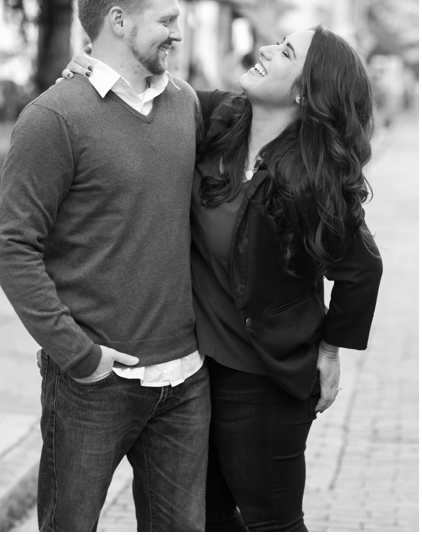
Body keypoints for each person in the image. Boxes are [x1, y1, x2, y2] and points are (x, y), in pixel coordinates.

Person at [63, 26, 382, 530]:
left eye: (286, 52)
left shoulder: (315, 180)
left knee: (269, 521)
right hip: (190, 374)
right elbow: (141, 89)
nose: (265, 50)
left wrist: (328, 353)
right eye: (276, 41)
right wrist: (87, 69)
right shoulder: (216, 116)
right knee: (204, 519)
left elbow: (363, 271)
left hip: (262, 383)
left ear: (305, 90)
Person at [0, 0, 209, 532]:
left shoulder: (185, 104)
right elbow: (11, 246)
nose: (177, 33)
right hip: (94, 386)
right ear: (118, 21)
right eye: (166, 20)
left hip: (186, 380)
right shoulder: (54, 118)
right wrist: (78, 355)